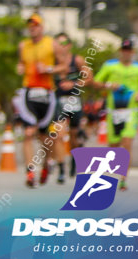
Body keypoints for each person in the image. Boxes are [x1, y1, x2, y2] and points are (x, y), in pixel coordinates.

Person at [92, 38, 138, 191]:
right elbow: (96, 82)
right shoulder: (110, 66)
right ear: (120, 52)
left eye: (129, 51)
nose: (126, 53)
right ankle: (111, 173)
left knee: (127, 143)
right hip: (113, 111)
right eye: (124, 50)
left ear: (133, 52)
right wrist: (109, 85)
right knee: (114, 146)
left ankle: (123, 178)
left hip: (131, 111)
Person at [16, 13, 63, 188]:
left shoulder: (52, 44)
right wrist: (20, 67)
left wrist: (49, 68)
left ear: (41, 27)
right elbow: (21, 63)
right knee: (29, 133)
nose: (32, 28)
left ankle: (46, 164)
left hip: (47, 94)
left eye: (35, 25)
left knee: (46, 136)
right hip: (29, 93)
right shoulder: (23, 46)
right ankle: (29, 171)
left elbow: (64, 66)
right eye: (30, 25)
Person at [52, 33, 89, 183]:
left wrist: (74, 84)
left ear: (70, 45)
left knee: (74, 135)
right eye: (58, 43)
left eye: (65, 42)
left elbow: (88, 77)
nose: (62, 46)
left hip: (74, 101)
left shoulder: (77, 60)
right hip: (57, 101)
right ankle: (61, 168)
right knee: (58, 135)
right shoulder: (52, 61)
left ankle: (74, 161)